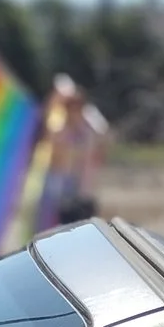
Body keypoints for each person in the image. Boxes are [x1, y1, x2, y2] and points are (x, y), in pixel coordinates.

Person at [36, 75, 109, 228]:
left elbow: (103, 137)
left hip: (78, 182)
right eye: (70, 107)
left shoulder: (87, 130)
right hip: (58, 179)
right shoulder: (59, 128)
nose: (73, 111)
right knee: (50, 222)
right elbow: (48, 137)